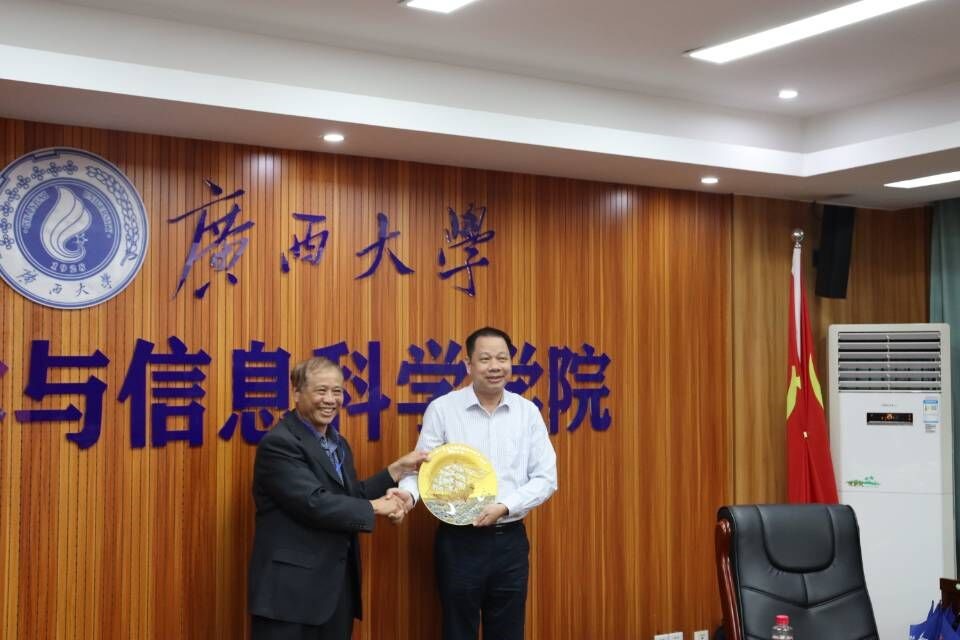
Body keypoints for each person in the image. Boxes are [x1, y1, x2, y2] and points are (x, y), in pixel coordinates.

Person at [248, 356, 427, 640]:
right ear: (297, 393)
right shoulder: (279, 443)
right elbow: (314, 503)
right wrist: (375, 507)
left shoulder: (337, 442)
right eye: (321, 391)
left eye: (337, 391)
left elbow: (350, 496)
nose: (330, 400)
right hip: (289, 597)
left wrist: (396, 470)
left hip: (334, 592)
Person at [397, 326, 558, 640]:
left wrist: (505, 506)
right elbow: (421, 469)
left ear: (511, 362)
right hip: (459, 541)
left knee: (508, 632)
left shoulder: (527, 413)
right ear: (468, 365)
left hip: (510, 540)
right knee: (458, 630)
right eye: (485, 359)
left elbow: (546, 477)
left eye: (502, 358)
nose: (495, 366)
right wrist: (408, 497)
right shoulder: (443, 409)